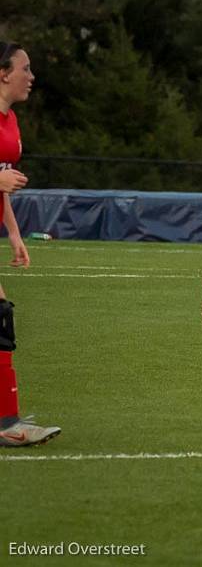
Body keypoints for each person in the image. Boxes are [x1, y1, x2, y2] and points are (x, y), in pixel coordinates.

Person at [0, 40, 61, 446]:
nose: (31, 76)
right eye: (24, 68)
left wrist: (15, 233)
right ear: (3, 73)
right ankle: (7, 422)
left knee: (0, 318)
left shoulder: (10, 121)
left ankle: (7, 419)